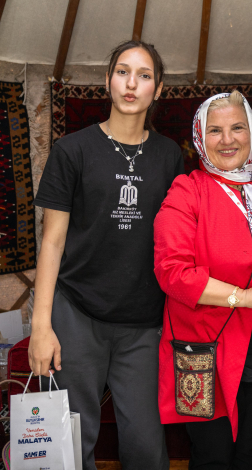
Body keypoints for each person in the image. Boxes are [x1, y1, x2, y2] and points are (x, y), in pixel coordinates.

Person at [28, 40, 182, 470]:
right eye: (122, 72)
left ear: (159, 89)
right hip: (77, 314)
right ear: (107, 80)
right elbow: (52, 242)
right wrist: (41, 325)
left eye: (144, 75)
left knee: (147, 445)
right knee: (72, 442)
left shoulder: (169, 156)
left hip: (144, 323)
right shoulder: (72, 150)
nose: (132, 84)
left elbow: (175, 240)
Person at [154, 91, 252, 469]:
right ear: (200, 137)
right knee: (213, 457)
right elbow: (172, 272)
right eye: (215, 130)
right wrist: (243, 297)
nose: (227, 140)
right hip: (206, 349)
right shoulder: (188, 191)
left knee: (250, 453)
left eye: (237, 128)